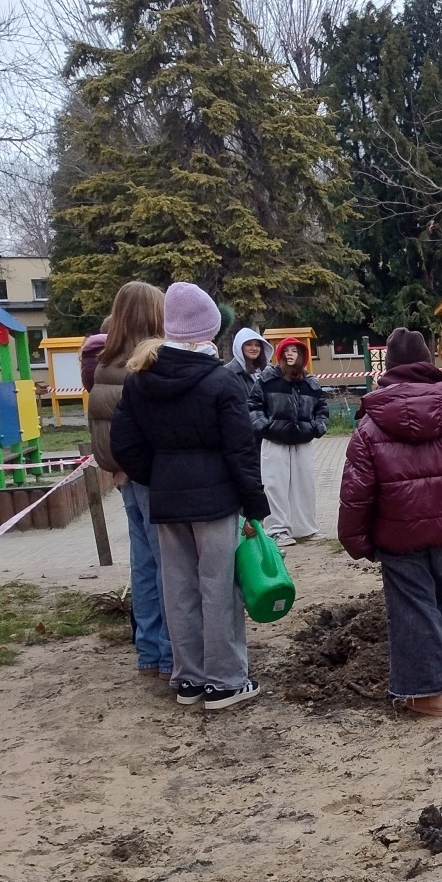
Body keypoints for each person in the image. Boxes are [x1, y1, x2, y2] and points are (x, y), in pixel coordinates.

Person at [110, 282, 270, 711]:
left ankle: (188, 680)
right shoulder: (221, 380)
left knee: (177, 588)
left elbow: (123, 444)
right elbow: (241, 451)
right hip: (216, 502)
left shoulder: (140, 379)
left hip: (167, 501)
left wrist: (159, 476)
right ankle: (226, 681)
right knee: (219, 588)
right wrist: (255, 506)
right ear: (209, 330)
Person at [338, 328, 442, 716]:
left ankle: (430, 693)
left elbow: (356, 493)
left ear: (389, 368)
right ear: (429, 364)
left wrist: (358, 543)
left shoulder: (370, 426)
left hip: (398, 536)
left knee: (413, 608)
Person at [87, 283, 171, 679]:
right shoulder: (149, 362)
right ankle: (170, 654)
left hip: (122, 474)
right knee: (167, 565)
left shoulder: (103, 362)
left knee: (143, 564)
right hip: (152, 474)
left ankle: (148, 652)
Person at [248, 337, 327, 547]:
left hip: (302, 441)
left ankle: (304, 528)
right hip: (274, 440)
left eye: (294, 351)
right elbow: (254, 405)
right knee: (274, 485)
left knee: (304, 485)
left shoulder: (310, 383)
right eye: (286, 351)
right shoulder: (267, 380)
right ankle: (277, 530)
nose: (290, 354)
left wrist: (317, 427)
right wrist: (265, 427)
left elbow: (322, 408)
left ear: (302, 355)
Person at [228, 327, 268, 394]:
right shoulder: (230, 372)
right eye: (248, 345)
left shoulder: (263, 371)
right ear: (239, 347)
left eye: (257, 345)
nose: (254, 348)